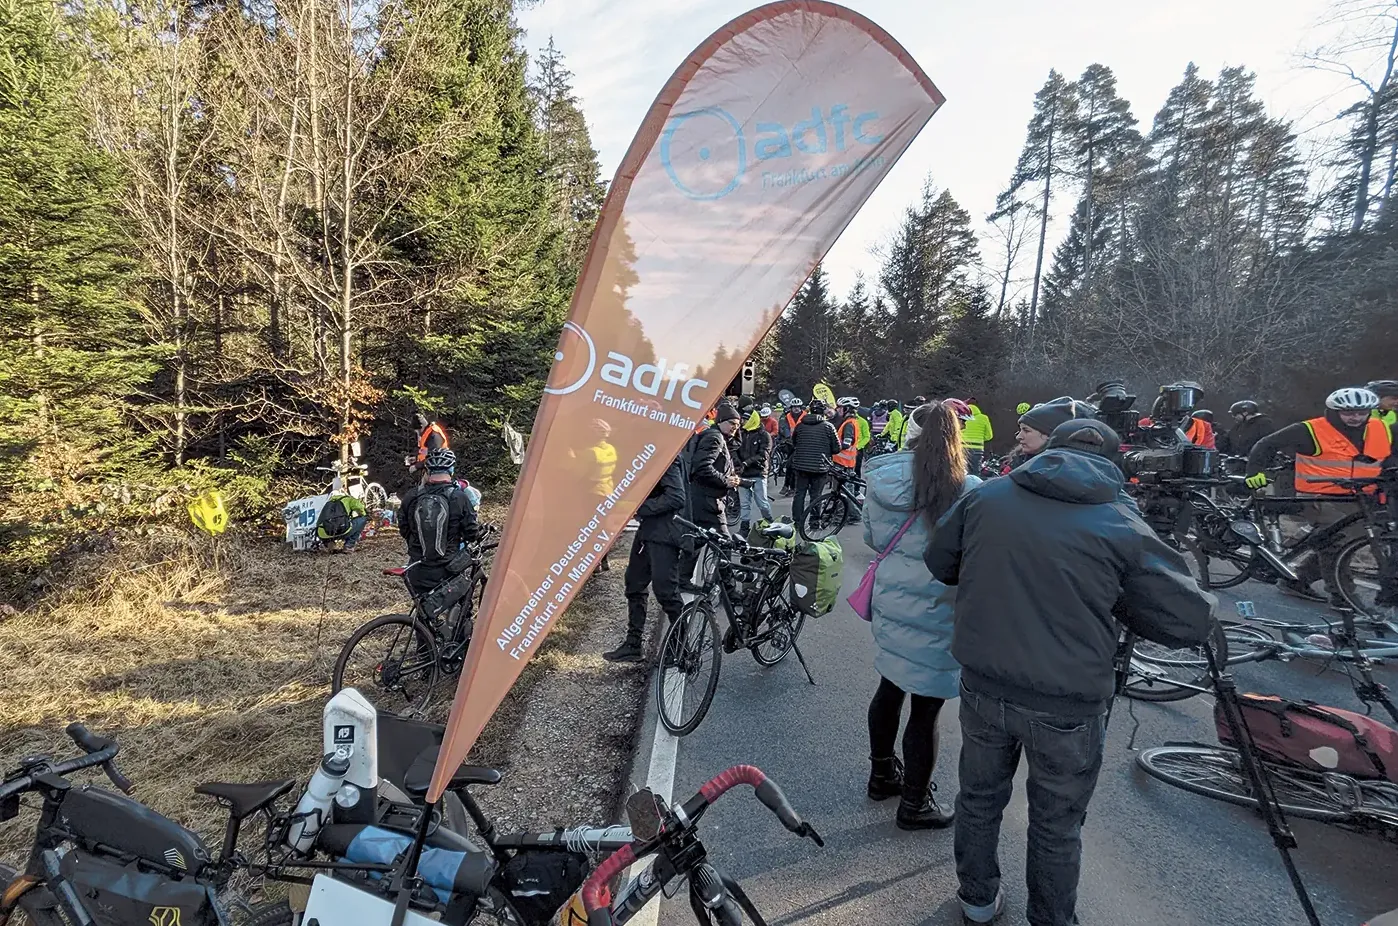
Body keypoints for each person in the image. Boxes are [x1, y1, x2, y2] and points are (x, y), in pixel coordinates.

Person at [925, 418, 1214, 926]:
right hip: (1068, 702)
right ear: (1116, 463)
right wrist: (1119, 600)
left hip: (984, 685)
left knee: (978, 797)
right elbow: (1189, 620)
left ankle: (976, 900)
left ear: (1047, 451)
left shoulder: (988, 497)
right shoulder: (1119, 522)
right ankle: (1052, 919)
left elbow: (939, 560)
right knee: (1056, 825)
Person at [863, 402, 981, 830]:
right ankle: (914, 804)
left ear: (908, 432)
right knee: (925, 709)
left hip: (893, 601)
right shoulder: (968, 488)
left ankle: (881, 775)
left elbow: (874, 539)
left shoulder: (880, 479)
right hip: (938, 606)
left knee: (889, 687)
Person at [1245, 387, 1397, 611]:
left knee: (1340, 540)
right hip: (1319, 495)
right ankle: (1342, 598)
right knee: (1339, 541)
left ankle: (1297, 579)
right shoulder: (1310, 429)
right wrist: (1255, 471)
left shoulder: (1379, 427)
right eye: (1348, 413)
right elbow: (1266, 444)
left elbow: (1388, 456)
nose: (1355, 418)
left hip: (1361, 495)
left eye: (1361, 412)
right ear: (1334, 411)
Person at [605, 454, 687, 663]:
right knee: (634, 583)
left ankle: (680, 648)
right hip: (648, 531)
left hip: (665, 534)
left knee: (666, 592)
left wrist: (640, 508)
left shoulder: (666, 457)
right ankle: (633, 645)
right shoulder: (649, 456)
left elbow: (677, 497)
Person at [399, 448, 479, 598]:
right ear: (451, 470)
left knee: (424, 611)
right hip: (448, 568)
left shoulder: (412, 496)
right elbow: (471, 532)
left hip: (417, 567)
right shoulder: (459, 497)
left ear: (427, 471)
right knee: (459, 608)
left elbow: (403, 529)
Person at [571, 418, 618, 572]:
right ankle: (604, 560)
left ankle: (593, 563)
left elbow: (577, 473)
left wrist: (572, 457)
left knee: (589, 528)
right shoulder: (610, 449)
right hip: (608, 492)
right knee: (603, 527)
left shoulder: (590, 453)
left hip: (592, 494)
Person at [690, 404, 742, 535]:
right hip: (709, 501)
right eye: (732, 423)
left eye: (738, 425)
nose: (735, 427)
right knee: (725, 544)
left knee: (696, 541)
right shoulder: (715, 438)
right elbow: (702, 466)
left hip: (704, 498)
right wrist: (726, 481)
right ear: (720, 421)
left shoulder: (719, 436)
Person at [788, 399, 841, 528]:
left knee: (799, 493)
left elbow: (794, 443)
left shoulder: (800, 426)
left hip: (800, 465)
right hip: (820, 466)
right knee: (816, 495)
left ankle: (797, 521)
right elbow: (836, 448)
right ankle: (814, 521)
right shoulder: (828, 427)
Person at [1010, 396, 1094, 468]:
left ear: (1050, 435)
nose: (1018, 436)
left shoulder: (1058, 473)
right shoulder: (1020, 461)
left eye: (1026, 430)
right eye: (1020, 430)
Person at [737, 407, 774, 533]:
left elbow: (764, 454)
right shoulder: (740, 433)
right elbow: (734, 449)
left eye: (745, 419)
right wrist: (738, 463)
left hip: (758, 472)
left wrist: (746, 462)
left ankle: (769, 522)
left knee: (762, 503)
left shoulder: (764, 435)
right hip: (743, 473)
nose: (742, 421)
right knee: (744, 504)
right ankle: (744, 527)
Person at [779, 399, 807, 497]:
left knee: (792, 465)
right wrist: (787, 437)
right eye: (794, 407)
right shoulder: (786, 416)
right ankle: (788, 485)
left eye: (798, 407)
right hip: (790, 443)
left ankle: (791, 487)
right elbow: (783, 427)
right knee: (790, 465)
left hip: (802, 444)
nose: (796, 409)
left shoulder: (806, 416)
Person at [961, 397, 994, 475]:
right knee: (975, 473)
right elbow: (989, 436)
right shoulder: (983, 418)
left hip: (962, 448)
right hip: (977, 449)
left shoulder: (962, 417)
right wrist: (980, 437)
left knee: (960, 472)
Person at [833, 397, 861, 473]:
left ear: (847, 409)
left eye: (839, 407)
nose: (837, 409)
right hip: (847, 463)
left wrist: (832, 445)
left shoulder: (849, 424)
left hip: (842, 464)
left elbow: (846, 444)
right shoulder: (852, 421)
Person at [854, 405, 873, 475]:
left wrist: (858, 446)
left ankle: (856, 485)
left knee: (857, 469)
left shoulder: (862, 422)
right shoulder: (843, 420)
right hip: (845, 449)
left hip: (858, 449)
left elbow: (866, 437)